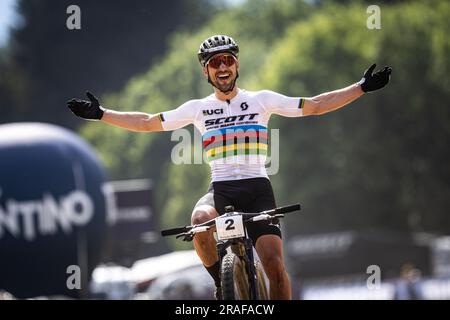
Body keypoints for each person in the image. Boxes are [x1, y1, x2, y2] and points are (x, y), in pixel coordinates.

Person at [67, 35, 392, 300]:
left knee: (275, 266)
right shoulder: (198, 109)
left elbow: (316, 105)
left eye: (228, 60)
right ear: (206, 72)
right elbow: (148, 122)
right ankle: (221, 284)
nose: (222, 67)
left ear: (237, 65)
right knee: (198, 222)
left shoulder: (262, 99)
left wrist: (361, 87)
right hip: (220, 190)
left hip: (257, 190)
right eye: (214, 63)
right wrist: (102, 114)